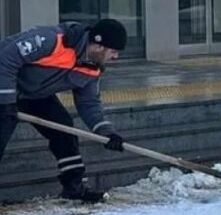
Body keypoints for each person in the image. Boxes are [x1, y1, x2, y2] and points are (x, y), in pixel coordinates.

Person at [0, 19, 130, 203]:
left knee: (64, 130)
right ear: (99, 46)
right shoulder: (53, 40)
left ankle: (74, 187)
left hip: (34, 95)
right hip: (5, 86)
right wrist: (5, 101)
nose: (115, 57)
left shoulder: (92, 68)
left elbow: (89, 103)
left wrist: (107, 132)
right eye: (114, 51)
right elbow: (5, 58)